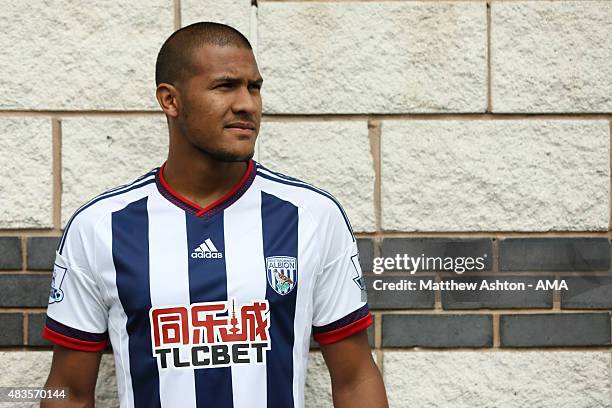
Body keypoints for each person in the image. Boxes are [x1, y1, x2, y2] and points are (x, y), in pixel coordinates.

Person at [41, 22, 388, 408]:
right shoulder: (100, 227)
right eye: (225, 86)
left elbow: (356, 378)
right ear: (170, 100)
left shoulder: (312, 216)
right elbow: (67, 393)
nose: (247, 104)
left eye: (253, 87)